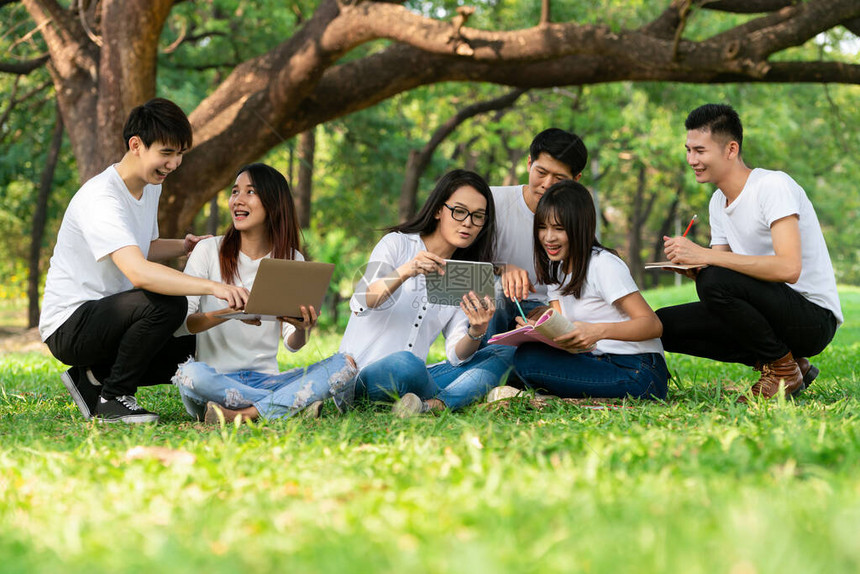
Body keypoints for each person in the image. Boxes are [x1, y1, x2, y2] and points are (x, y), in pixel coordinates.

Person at [40, 98, 249, 424]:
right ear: (136, 145)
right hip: (71, 325)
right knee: (168, 304)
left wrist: (184, 245)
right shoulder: (102, 198)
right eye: (166, 153)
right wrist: (213, 287)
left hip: (109, 318)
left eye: (180, 154)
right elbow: (138, 271)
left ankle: (93, 379)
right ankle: (114, 399)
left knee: (194, 346)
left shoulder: (149, 187)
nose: (174, 163)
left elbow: (142, 247)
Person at [656, 103, 842, 401]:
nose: (692, 160)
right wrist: (693, 267)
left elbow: (788, 268)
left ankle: (782, 371)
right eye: (688, 150)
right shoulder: (718, 202)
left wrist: (707, 259)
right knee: (661, 325)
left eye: (700, 151)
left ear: (731, 149)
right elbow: (722, 279)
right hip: (772, 311)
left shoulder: (772, 186)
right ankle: (792, 364)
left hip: (812, 319)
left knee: (713, 278)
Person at [170, 163, 357, 423]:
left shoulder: (292, 259)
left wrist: (303, 327)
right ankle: (290, 403)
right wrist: (227, 313)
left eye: (250, 192)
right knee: (190, 375)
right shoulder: (208, 250)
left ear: (273, 203)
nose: (238, 200)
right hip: (214, 378)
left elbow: (293, 344)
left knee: (345, 365)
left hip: (267, 378)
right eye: (235, 192)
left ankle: (245, 414)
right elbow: (181, 325)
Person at [339, 169, 515, 416]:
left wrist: (477, 330)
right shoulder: (397, 244)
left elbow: (456, 355)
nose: (468, 222)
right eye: (460, 211)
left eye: (478, 216)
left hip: (417, 377)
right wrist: (407, 270)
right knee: (407, 363)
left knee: (504, 353)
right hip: (364, 377)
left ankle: (427, 406)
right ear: (438, 210)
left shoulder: (465, 274)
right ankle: (448, 397)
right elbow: (361, 302)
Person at [496, 180, 668, 400]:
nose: (548, 237)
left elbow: (653, 325)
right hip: (594, 360)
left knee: (527, 362)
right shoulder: (556, 266)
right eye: (542, 227)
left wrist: (598, 331)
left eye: (559, 228)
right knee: (512, 356)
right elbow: (563, 324)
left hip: (638, 371)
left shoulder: (603, 264)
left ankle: (542, 393)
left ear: (579, 227)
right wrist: (539, 330)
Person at [486, 128, 589, 340]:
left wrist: (554, 312)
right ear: (529, 163)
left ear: (575, 179)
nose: (547, 184)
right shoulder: (491, 201)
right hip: (494, 303)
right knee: (496, 289)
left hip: (545, 308)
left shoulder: (576, 218)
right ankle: (484, 362)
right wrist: (500, 269)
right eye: (541, 173)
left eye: (559, 178)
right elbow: (456, 265)